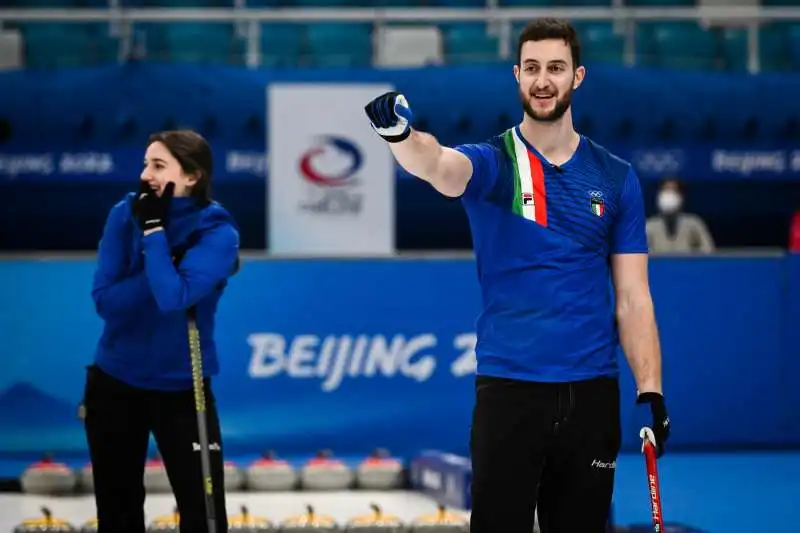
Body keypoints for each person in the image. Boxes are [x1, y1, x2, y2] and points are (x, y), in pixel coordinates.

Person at [364, 18, 670, 533]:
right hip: (509, 392)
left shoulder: (616, 177)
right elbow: (437, 164)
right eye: (532, 68)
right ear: (517, 75)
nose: (543, 79)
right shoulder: (493, 164)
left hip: (592, 395)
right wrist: (399, 135)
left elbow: (634, 297)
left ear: (578, 76)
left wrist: (651, 391)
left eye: (555, 67)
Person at [82, 130, 240, 533]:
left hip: (184, 389)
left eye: (158, 165)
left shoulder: (217, 231)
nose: (145, 175)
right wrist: (164, 263)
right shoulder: (124, 214)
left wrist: (154, 235)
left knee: (204, 513)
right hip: (115, 381)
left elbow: (174, 299)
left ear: (192, 177)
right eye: (145, 163)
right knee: (117, 512)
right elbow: (105, 303)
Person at [646, 177, 715, 253]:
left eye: (674, 190)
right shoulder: (649, 225)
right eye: (666, 190)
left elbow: (708, 249)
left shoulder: (694, 223)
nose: (669, 195)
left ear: (681, 196)